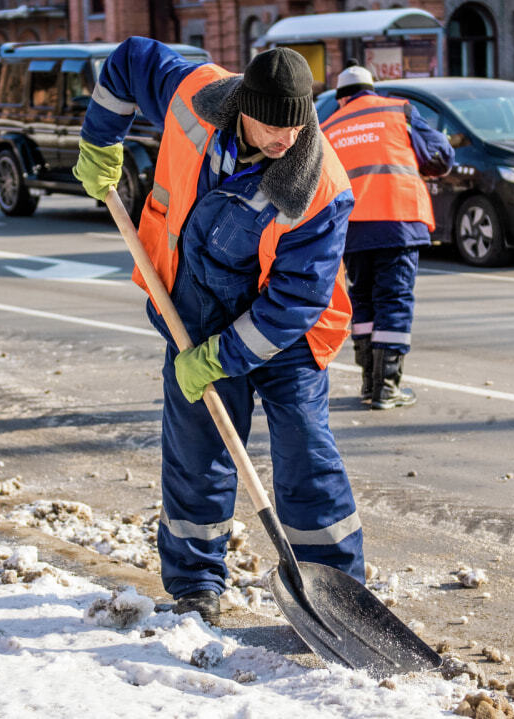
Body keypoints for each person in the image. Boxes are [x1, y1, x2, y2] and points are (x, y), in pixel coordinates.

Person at [73, 38, 362, 626]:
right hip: (193, 313)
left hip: (285, 337)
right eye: (272, 128)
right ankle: (195, 583)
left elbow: (295, 300)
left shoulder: (319, 185)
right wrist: (100, 139)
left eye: (296, 127)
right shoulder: (195, 96)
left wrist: (221, 359)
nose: (286, 141)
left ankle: (337, 589)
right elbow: (129, 61)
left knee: (305, 451)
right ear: (243, 106)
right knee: (195, 451)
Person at [320, 65, 453, 409]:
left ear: (340, 98)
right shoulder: (399, 110)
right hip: (397, 217)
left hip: (350, 227)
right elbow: (440, 156)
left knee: (362, 300)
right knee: (394, 300)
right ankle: (387, 388)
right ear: (372, 89)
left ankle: (369, 383)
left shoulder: (329, 127)